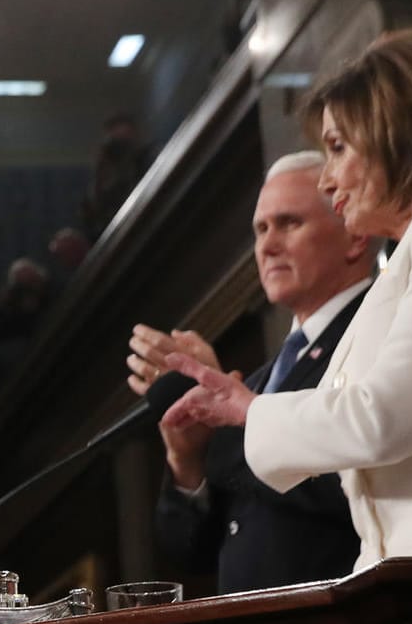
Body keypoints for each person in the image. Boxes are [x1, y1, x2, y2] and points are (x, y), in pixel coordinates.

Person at [166, 28, 412, 568]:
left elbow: (383, 417)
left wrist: (251, 409)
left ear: (404, 133)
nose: (327, 179)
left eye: (338, 147)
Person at [126, 152, 373, 592]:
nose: (267, 244)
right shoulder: (262, 379)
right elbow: (189, 552)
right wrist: (188, 461)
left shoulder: (374, 334)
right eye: (260, 229)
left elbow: (354, 483)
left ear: (355, 235)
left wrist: (234, 425)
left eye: (289, 223)